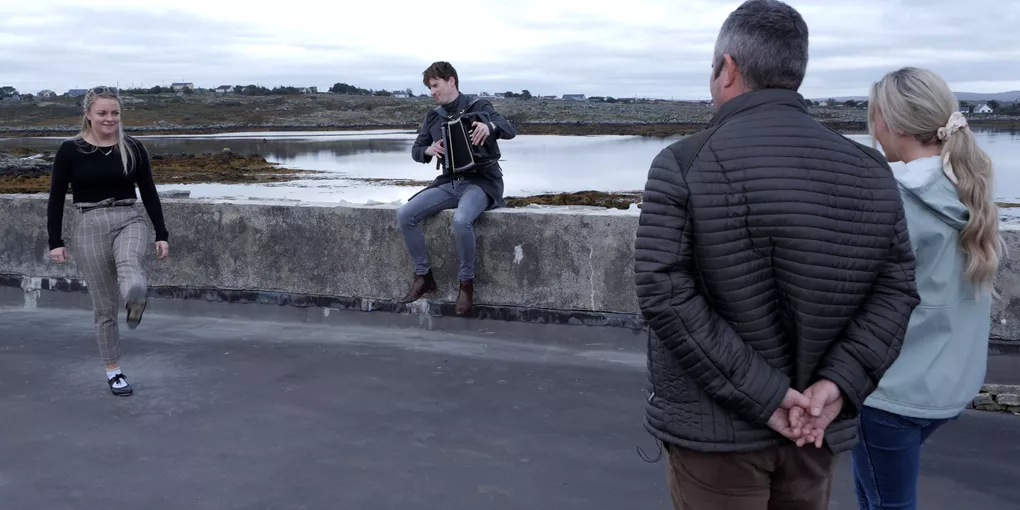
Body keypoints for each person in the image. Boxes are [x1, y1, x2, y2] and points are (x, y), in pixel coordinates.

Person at [632, 1, 921, 508]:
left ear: (728, 69)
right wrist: (837, 386)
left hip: (715, 436)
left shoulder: (682, 163)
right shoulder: (871, 170)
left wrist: (765, 398)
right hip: (815, 428)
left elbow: (663, 291)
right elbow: (896, 290)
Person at [849, 67, 1004, 510]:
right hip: (950, 385)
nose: (871, 126)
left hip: (892, 391)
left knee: (886, 503)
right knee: (876, 495)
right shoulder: (969, 187)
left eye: (873, 114)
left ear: (893, 123)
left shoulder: (894, 197)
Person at [47, 86, 170, 397]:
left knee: (129, 259)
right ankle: (114, 371)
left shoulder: (133, 148)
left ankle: (134, 297)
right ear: (88, 114)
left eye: (115, 113)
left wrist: (161, 233)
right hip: (88, 224)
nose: (109, 118)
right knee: (104, 308)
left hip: (129, 216)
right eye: (102, 112)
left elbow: (149, 193)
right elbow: (57, 197)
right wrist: (55, 241)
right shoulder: (69, 150)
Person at [397, 61, 516, 315]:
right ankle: (423, 277)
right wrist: (429, 150)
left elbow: (509, 129)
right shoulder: (433, 116)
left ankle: (466, 284)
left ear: (451, 81)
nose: (432, 92)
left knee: (462, 220)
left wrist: (489, 127)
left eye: (435, 85)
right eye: (430, 87)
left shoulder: (479, 107)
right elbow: (416, 150)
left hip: (482, 182)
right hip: (451, 182)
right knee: (405, 214)